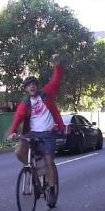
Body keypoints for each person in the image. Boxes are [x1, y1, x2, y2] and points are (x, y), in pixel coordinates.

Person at [7, 54, 65, 196]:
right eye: (28, 85)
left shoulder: (46, 94)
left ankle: (51, 189)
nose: (31, 86)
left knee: (48, 160)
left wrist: (57, 65)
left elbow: (56, 81)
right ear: (26, 89)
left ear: (37, 86)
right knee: (19, 150)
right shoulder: (25, 104)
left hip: (48, 133)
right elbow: (18, 118)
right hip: (32, 134)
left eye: (33, 84)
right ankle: (33, 171)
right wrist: (13, 131)